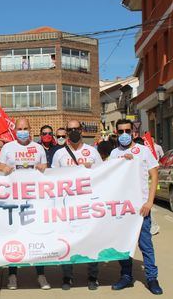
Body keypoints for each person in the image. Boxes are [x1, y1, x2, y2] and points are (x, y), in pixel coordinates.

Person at [110, 119, 163, 295]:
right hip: (122, 209)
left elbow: (154, 176)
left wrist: (149, 202)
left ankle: (152, 278)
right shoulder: (113, 153)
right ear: (116, 133)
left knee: (145, 245)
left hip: (141, 208)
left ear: (133, 132)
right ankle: (126, 276)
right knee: (123, 245)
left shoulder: (143, 151)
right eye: (120, 132)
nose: (124, 135)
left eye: (127, 131)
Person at [0, 118, 50, 290]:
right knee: (15, 237)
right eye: (19, 128)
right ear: (15, 130)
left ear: (30, 129)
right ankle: (12, 275)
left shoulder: (38, 148)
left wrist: (43, 168)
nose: (22, 131)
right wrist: (4, 170)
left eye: (25, 128)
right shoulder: (7, 148)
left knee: (37, 236)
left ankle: (41, 275)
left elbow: (46, 171)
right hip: (14, 200)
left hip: (35, 200)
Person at [51, 120, 103, 291]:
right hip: (67, 206)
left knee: (92, 240)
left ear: (81, 130)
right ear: (66, 132)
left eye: (76, 129)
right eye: (70, 129)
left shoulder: (92, 152)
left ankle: (93, 276)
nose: (73, 132)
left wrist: (89, 170)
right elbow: (53, 178)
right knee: (67, 240)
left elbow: (103, 176)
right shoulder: (59, 154)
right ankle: (67, 276)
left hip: (88, 204)